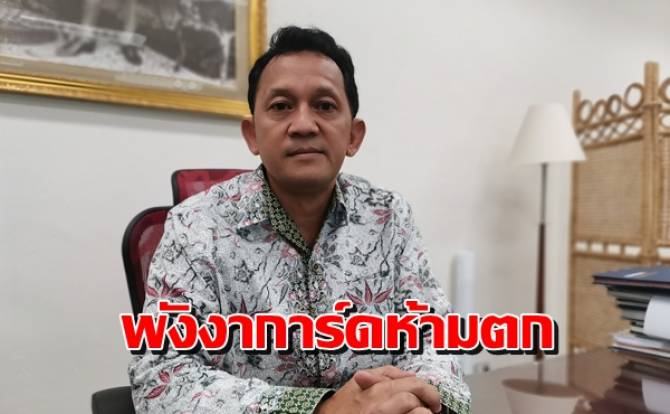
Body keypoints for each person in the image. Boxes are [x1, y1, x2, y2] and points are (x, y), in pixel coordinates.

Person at [129, 26, 471, 414]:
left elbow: (435, 341)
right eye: (281, 106)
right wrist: (322, 409)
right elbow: (162, 377)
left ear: (353, 136)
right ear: (252, 134)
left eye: (325, 105)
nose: (304, 124)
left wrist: (421, 402)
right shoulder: (194, 226)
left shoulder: (389, 217)